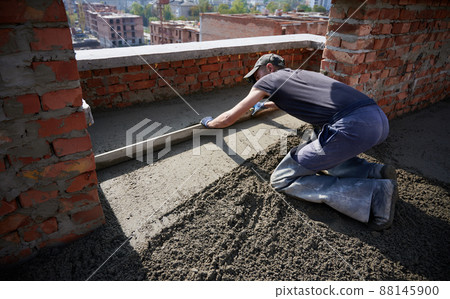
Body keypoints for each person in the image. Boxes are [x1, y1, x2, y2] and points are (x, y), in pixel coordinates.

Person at [200, 53, 398, 231]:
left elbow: (229, 118)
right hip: (378, 119)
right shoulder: (302, 74)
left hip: (353, 127)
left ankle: (374, 195)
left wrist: (210, 123)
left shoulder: (269, 80)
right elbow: (288, 99)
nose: (255, 80)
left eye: (256, 76)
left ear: (269, 68)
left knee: (282, 178)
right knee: (319, 140)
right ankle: (373, 172)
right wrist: (265, 104)